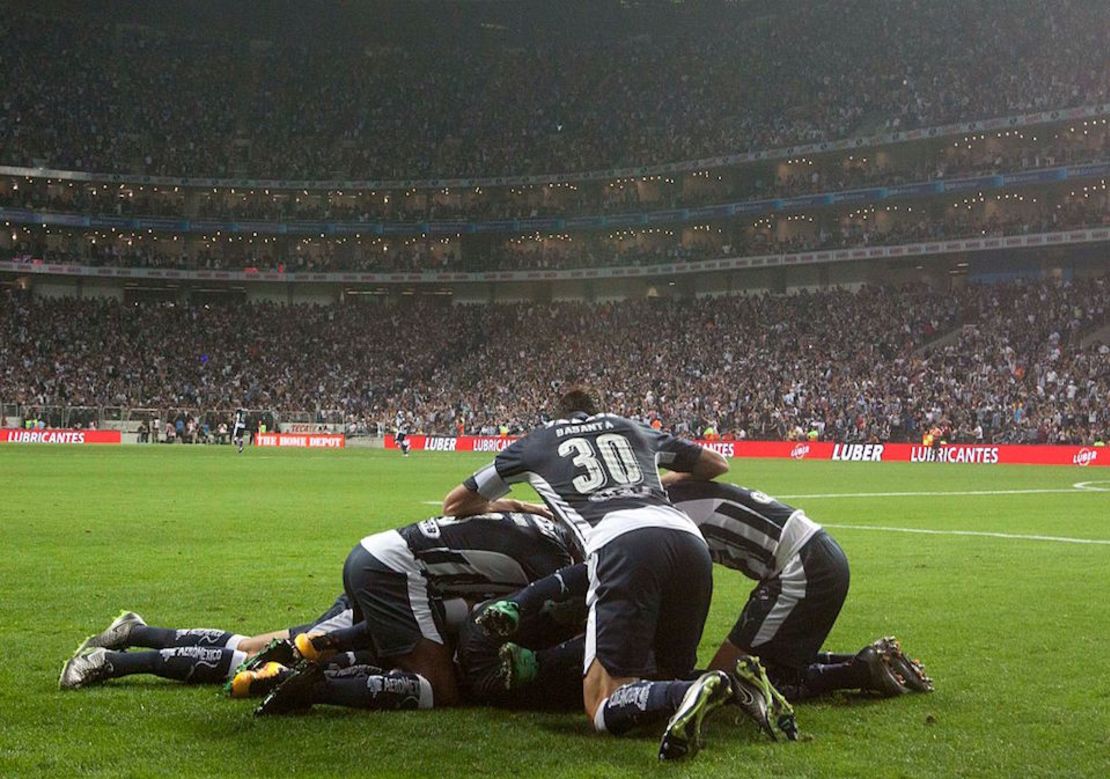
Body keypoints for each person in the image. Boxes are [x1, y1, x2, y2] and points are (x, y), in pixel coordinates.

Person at [441, 386, 782, 760]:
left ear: (557, 415)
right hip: (689, 542)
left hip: (622, 544)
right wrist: (651, 482)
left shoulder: (534, 443)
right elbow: (716, 464)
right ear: (595, 410)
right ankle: (728, 687)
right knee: (660, 679)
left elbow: (455, 504)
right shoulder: (632, 428)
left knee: (602, 706)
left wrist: (517, 503)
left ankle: (705, 687)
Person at [479, 481, 933, 709]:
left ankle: (856, 670)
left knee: (727, 684)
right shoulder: (659, 496)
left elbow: (613, 568)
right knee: (745, 671)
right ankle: (860, 666)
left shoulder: (648, 515)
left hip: (802, 568)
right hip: (814, 556)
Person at [253, 509, 577, 716]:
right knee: (439, 688)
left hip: (378, 555)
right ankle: (317, 686)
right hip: (396, 573)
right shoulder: (558, 564)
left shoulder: (538, 523)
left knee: (385, 649)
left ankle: (259, 657)